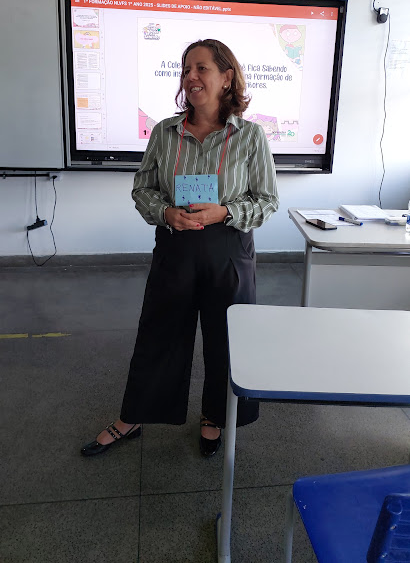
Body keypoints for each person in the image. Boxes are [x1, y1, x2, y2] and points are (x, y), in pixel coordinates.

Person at [81, 39, 279, 458]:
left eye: (201, 68)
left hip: (228, 250)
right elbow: (143, 189)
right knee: (160, 334)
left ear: (227, 78)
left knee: (226, 339)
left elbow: (267, 201)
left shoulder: (250, 136)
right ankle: (133, 416)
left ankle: (216, 416)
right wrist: (166, 212)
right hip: (176, 246)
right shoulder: (164, 132)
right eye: (186, 69)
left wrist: (225, 211)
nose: (191, 76)